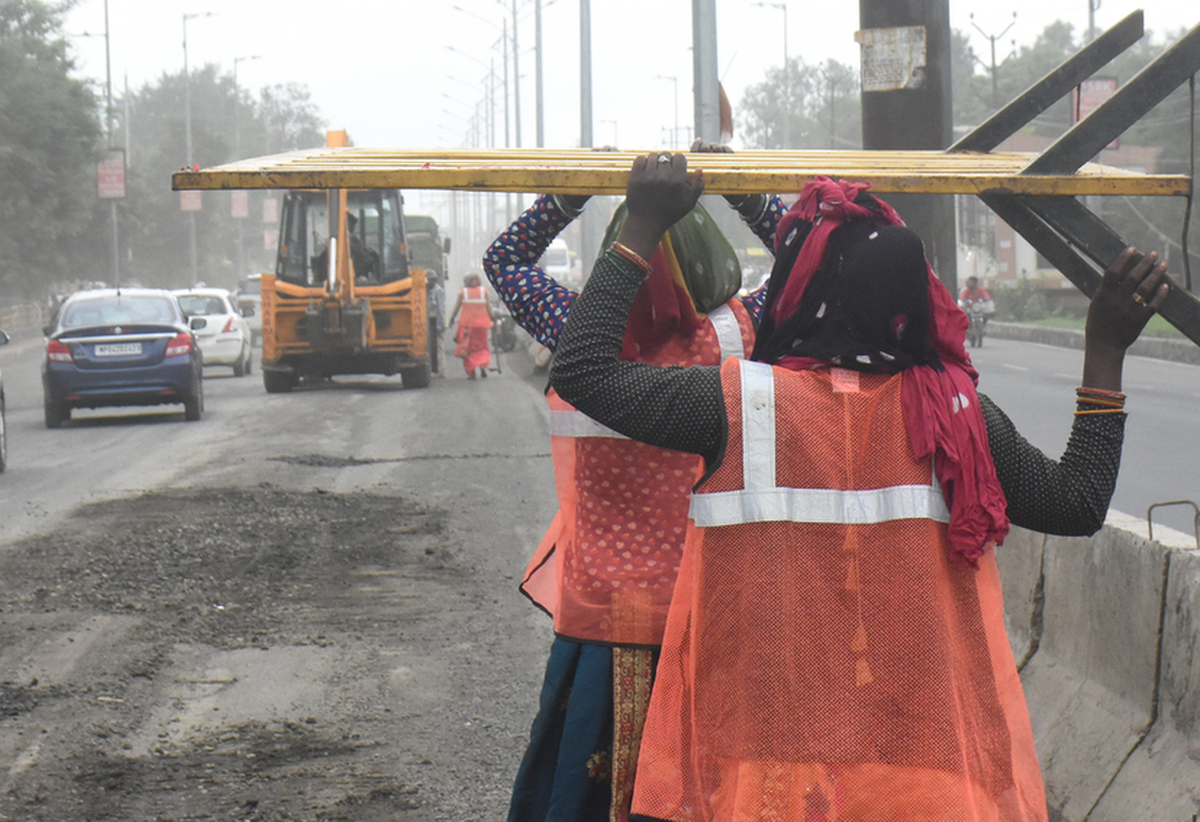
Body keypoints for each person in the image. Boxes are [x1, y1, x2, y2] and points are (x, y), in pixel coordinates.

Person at [549, 152, 1169, 822]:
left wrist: (642, 225)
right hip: (919, 770)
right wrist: (1105, 351)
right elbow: (1078, 504)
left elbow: (582, 371)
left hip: (765, 774)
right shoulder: (955, 418)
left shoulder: (737, 405)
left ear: (791, 292)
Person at [483, 162, 788, 822]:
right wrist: (750, 195)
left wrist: (572, 190)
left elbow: (504, 259)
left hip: (606, 616)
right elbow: (811, 263)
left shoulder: (576, 332)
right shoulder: (741, 334)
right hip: (714, 610)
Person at [447, 272, 495, 379]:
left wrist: (451, 319)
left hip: (467, 326)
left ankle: (472, 372)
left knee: (467, 348)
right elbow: (489, 309)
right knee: (482, 347)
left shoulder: (463, 293)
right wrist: (493, 319)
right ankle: (482, 366)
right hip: (482, 326)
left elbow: (456, 308)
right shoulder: (484, 292)